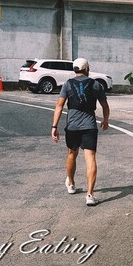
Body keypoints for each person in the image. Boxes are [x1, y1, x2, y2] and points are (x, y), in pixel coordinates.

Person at [51, 58, 110, 206]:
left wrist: (54, 127)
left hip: (72, 126)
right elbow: (104, 105)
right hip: (89, 126)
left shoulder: (68, 84)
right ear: (87, 68)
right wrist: (105, 119)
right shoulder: (96, 85)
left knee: (72, 153)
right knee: (90, 158)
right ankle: (90, 195)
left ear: (75, 70)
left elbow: (59, 106)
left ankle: (70, 184)